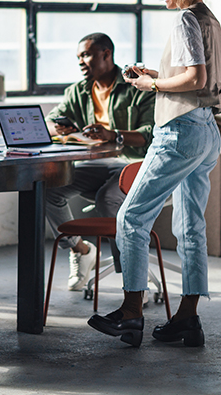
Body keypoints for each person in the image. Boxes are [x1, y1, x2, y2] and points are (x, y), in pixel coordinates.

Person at [88, 0, 221, 348]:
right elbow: (198, 76)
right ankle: (187, 319)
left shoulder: (185, 18)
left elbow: (195, 79)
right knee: (190, 227)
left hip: (180, 131)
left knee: (130, 218)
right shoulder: (210, 19)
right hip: (206, 132)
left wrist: (151, 84)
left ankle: (131, 314)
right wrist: (158, 72)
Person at [45, 33, 155, 291]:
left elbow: (152, 133)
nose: (81, 62)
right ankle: (81, 250)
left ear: (106, 54)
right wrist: (58, 129)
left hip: (135, 165)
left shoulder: (136, 87)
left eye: (86, 55)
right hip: (98, 165)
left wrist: (114, 135)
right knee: (49, 188)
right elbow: (49, 121)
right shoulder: (78, 91)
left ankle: (135, 283)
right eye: (79, 57)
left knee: (108, 197)